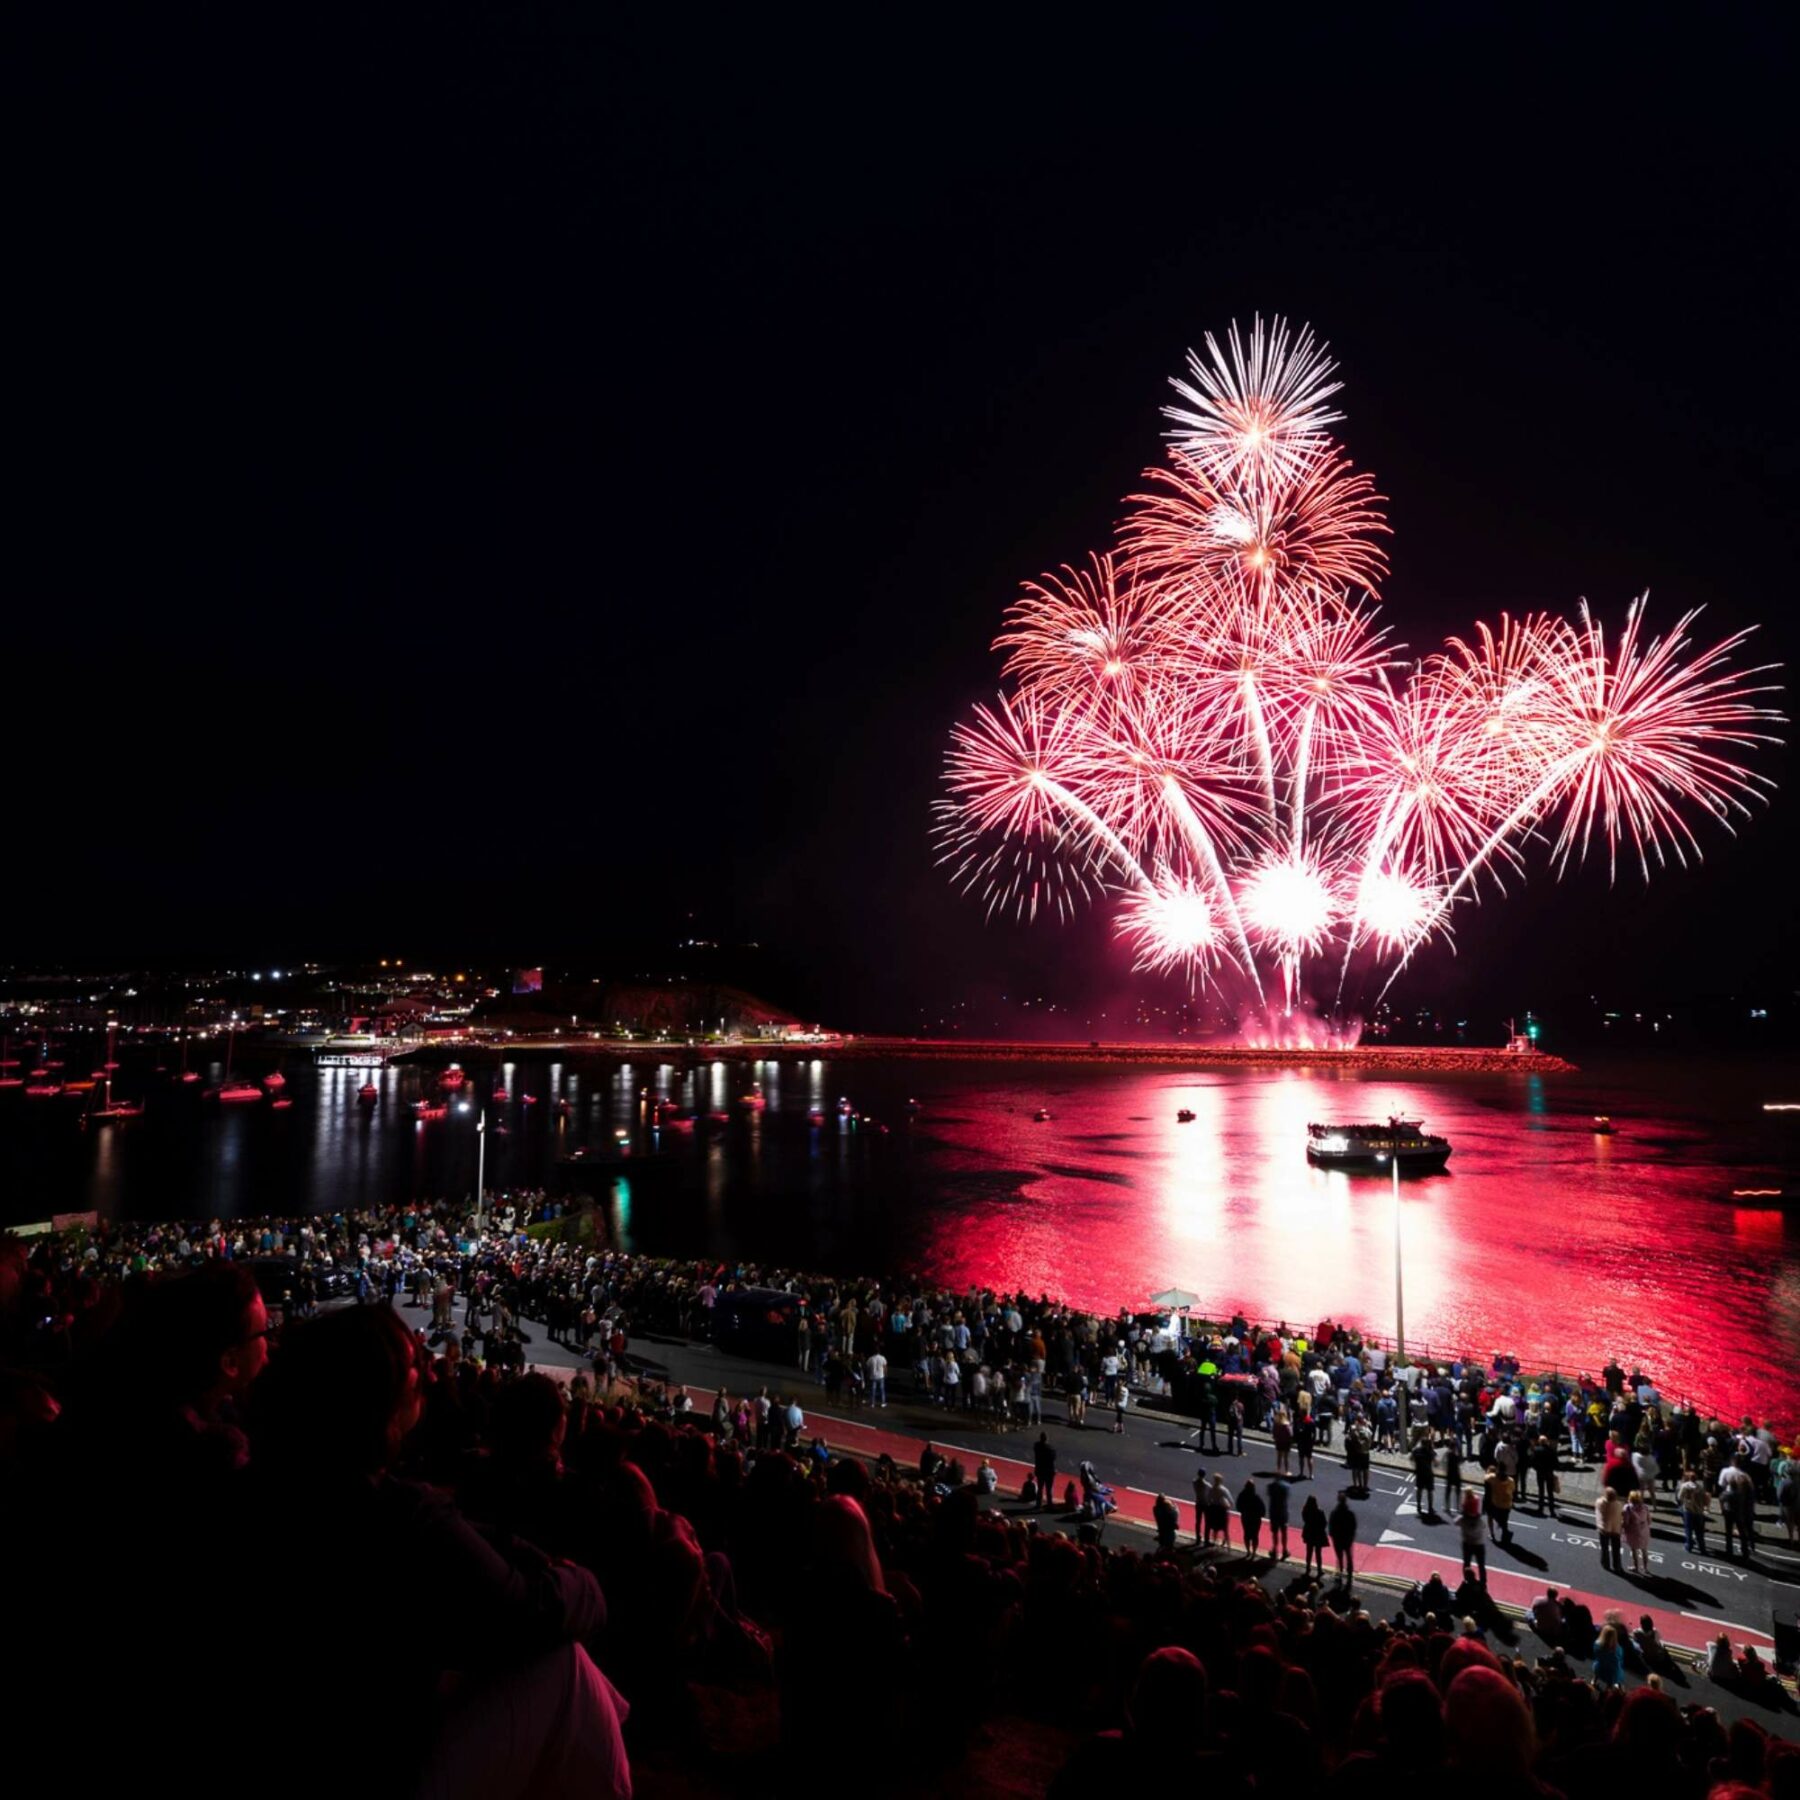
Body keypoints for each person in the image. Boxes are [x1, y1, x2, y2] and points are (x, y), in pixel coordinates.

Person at [1677, 1466, 1711, 1554]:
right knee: (1699, 1531)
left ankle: (1689, 1546)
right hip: (1699, 1511)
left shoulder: (1685, 1486)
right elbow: (1705, 1499)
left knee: (1688, 1529)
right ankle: (1702, 1548)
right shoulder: (1700, 1487)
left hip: (1688, 1510)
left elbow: (1679, 1497)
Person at [1327, 1490, 1358, 1587]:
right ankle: (1349, 1575)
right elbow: (1353, 1526)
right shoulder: (1350, 1513)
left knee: (1339, 1557)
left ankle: (1339, 1574)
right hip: (1347, 1538)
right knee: (1349, 1556)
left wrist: (1332, 1535)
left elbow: (1331, 1526)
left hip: (1338, 1538)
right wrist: (1352, 1536)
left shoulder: (1334, 1512)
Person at [1594, 1483, 1625, 1573]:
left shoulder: (1600, 1502)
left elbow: (1597, 1504)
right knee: (1616, 1549)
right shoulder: (1619, 1504)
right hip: (1616, 1529)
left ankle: (1606, 1564)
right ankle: (1617, 1566)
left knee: (1604, 1548)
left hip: (1604, 1529)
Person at [1458, 1489, 1487, 1584]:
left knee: (1466, 1563)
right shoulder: (1480, 1521)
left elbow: (1456, 1521)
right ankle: (1483, 1583)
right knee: (1481, 1565)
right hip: (1479, 1543)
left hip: (1467, 1543)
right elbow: (1484, 1525)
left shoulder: (1463, 1520)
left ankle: (1467, 1580)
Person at [1622, 1489, 1653, 1573]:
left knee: (1634, 1550)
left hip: (1633, 1532)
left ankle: (1636, 1567)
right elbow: (1649, 1521)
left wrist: (1622, 1528)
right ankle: (1646, 1568)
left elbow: (1626, 1522)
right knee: (1644, 1550)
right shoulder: (1645, 1507)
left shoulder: (1627, 1508)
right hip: (1644, 1531)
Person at [1300, 1493, 1329, 1581]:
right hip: (1318, 1534)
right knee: (1318, 1553)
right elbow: (1324, 1523)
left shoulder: (1305, 1511)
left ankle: (1308, 1567)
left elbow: (1305, 1520)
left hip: (1309, 1533)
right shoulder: (1320, 1512)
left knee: (1309, 1552)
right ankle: (1319, 1569)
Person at [1237, 1477, 1265, 1557]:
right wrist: (1260, 1515)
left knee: (1246, 1534)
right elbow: (1262, 1508)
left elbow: (1238, 1506)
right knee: (1255, 1535)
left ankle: (1248, 1551)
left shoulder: (1242, 1495)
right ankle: (1254, 1552)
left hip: (1246, 1517)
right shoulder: (1256, 1497)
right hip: (1255, 1519)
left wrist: (1243, 1511)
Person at [1204, 1471, 1232, 1550]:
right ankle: (1228, 1545)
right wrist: (1227, 1505)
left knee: (1215, 1528)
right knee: (1225, 1528)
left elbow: (1208, 1499)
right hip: (1222, 1511)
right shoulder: (1224, 1490)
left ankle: (1214, 1542)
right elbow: (1231, 1501)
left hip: (1214, 1510)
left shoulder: (1211, 1489)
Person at [1267, 1472, 1291, 1560]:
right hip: (1283, 1511)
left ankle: (1275, 1550)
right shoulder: (1286, 1486)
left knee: (1275, 1532)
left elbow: (1269, 1494)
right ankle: (1284, 1550)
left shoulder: (1270, 1486)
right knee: (1284, 1532)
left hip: (1274, 1511)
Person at [1594, 1623, 1625, 1688]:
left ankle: (1594, 1680)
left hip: (1599, 1667)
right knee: (1618, 1670)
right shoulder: (1617, 1649)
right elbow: (1620, 1659)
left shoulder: (1597, 1644)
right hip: (1611, 1672)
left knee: (1599, 1665)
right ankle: (1610, 1688)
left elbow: (1596, 1655)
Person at [1412, 1433, 1436, 1515]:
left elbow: (1411, 1458)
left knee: (1419, 1490)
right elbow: (1436, 1463)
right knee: (1430, 1491)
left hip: (1419, 1473)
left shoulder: (1416, 1451)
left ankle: (1418, 1506)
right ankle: (1430, 1508)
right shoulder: (1430, 1452)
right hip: (1428, 1474)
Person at [1033, 1431, 1057, 1510]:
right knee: (1049, 1489)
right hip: (1049, 1471)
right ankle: (1049, 1504)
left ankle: (1038, 1504)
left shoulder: (1037, 1446)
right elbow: (1053, 1458)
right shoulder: (1050, 1449)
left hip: (1040, 1470)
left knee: (1040, 1488)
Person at [1153, 1491, 1179, 1556]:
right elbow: (1175, 1516)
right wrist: (1174, 1507)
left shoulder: (1155, 1509)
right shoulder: (1170, 1513)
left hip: (1161, 1531)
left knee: (1162, 1545)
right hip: (1169, 1533)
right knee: (1169, 1548)